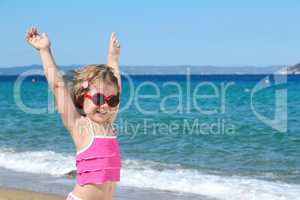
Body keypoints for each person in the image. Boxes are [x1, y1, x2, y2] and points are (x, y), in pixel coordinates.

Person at [26, 26, 122, 200]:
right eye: (98, 99)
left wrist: (113, 58)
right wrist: (44, 50)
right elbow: (57, 86)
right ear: (81, 97)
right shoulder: (80, 126)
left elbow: (117, 89)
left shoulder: (108, 124)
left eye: (112, 101)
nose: (105, 106)